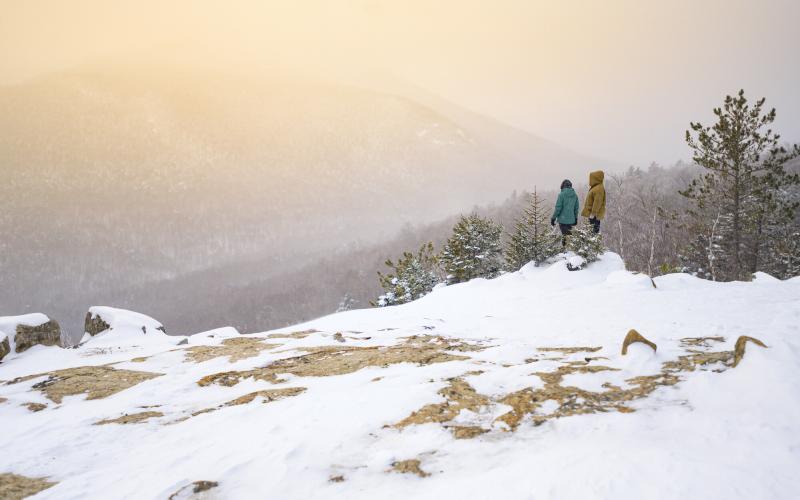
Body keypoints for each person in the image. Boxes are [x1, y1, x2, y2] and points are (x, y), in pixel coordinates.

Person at [550, 179, 579, 247]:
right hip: (571, 220)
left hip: (563, 220)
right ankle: (569, 250)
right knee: (569, 236)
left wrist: (553, 218)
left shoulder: (561, 195)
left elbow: (558, 208)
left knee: (565, 236)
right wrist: (576, 218)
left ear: (563, 186)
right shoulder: (575, 195)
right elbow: (576, 208)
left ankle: (566, 251)